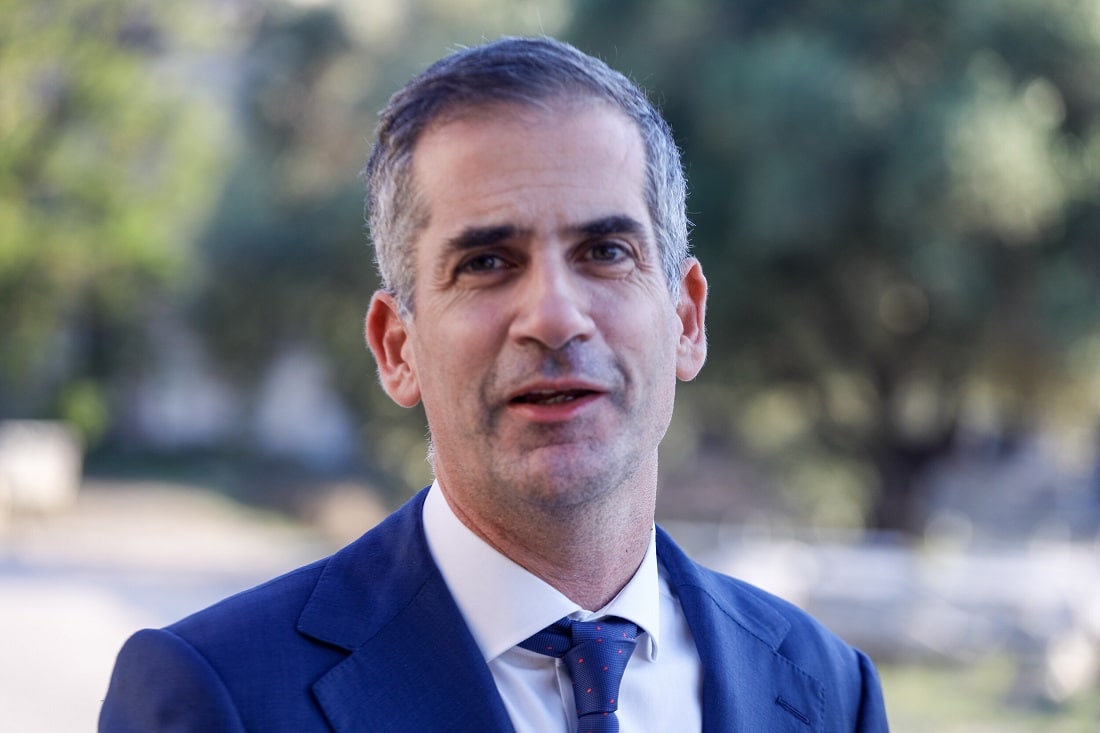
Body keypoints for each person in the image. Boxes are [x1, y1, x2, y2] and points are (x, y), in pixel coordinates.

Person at [100, 36, 889, 732]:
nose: (554, 316)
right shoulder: (220, 697)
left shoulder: (829, 691)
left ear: (686, 318)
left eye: (605, 252)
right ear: (397, 347)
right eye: (485, 262)